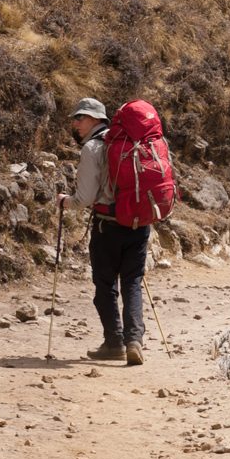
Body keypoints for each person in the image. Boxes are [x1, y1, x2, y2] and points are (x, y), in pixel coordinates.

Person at [60, 97, 148, 366]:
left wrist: (67, 201)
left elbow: (85, 197)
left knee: (106, 285)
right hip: (139, 223)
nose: (76, 123)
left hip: (107, 225)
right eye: (76, 118)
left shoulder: (93, 148)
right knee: (132, 282)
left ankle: (114, 342)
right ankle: (134, 341)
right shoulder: (136, 142)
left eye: (81, 117)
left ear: (98, 119)